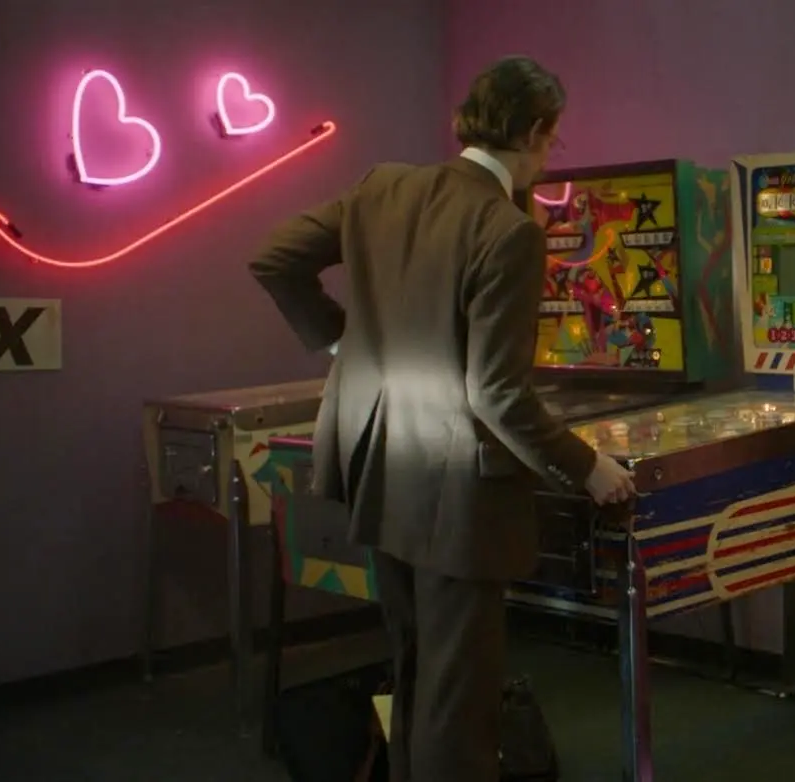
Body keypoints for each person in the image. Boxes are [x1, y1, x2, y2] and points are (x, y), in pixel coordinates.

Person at [248, 56, 636, 782]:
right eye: (553, 140)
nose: (552, 154)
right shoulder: (506, 227)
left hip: (378, 458)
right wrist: (589, 466)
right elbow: (496, 393)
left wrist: (343, 339)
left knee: (417, 665)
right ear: (534, 130)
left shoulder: (382, 188)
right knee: (460, 695)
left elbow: (274, 258)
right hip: (456, 484)